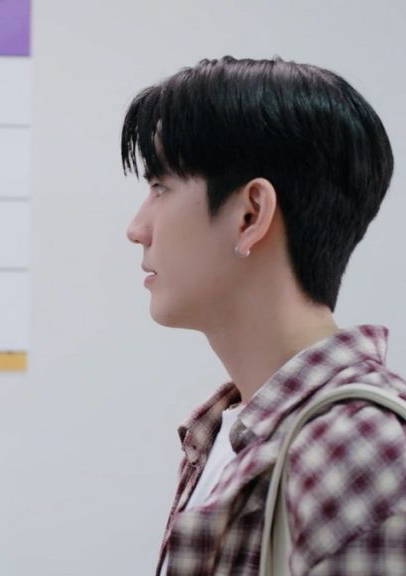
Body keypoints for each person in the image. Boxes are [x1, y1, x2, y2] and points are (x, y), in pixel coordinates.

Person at [122, 56, 404, 575]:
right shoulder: (227, 432)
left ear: (251, 214)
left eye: (160, 186)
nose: (136, 229)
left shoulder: (359, 446)